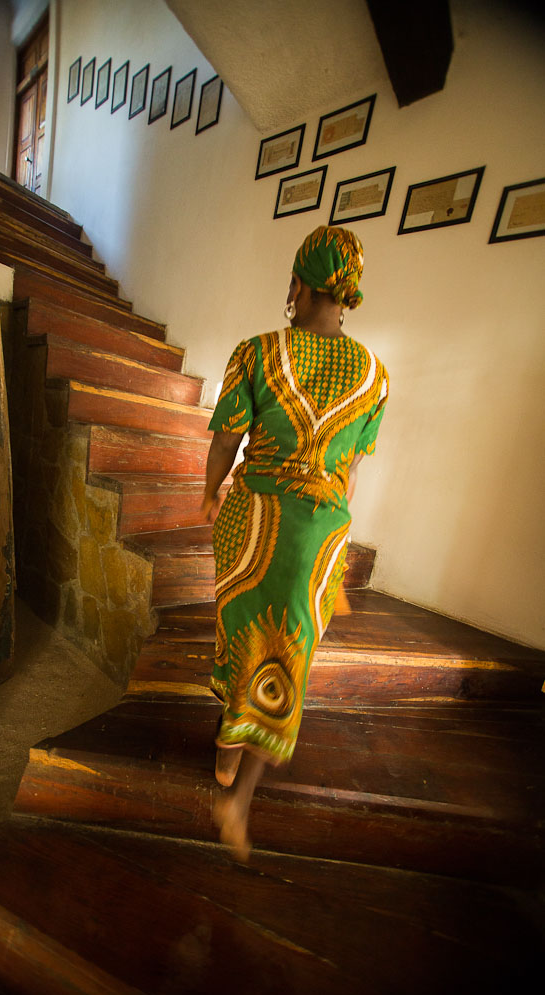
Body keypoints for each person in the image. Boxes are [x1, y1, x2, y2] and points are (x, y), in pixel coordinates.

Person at [201, 225, 389, 861]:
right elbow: (352, 472)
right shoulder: (375, 377)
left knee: (244, 635)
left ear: (298, 283)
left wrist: (209, 492)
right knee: (289, 658)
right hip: (320, 535)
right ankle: (238, 801)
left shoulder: (256, 353)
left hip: (254, 522)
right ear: (348, 291)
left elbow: (225, 440)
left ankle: (228, 746)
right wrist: (327, 545)